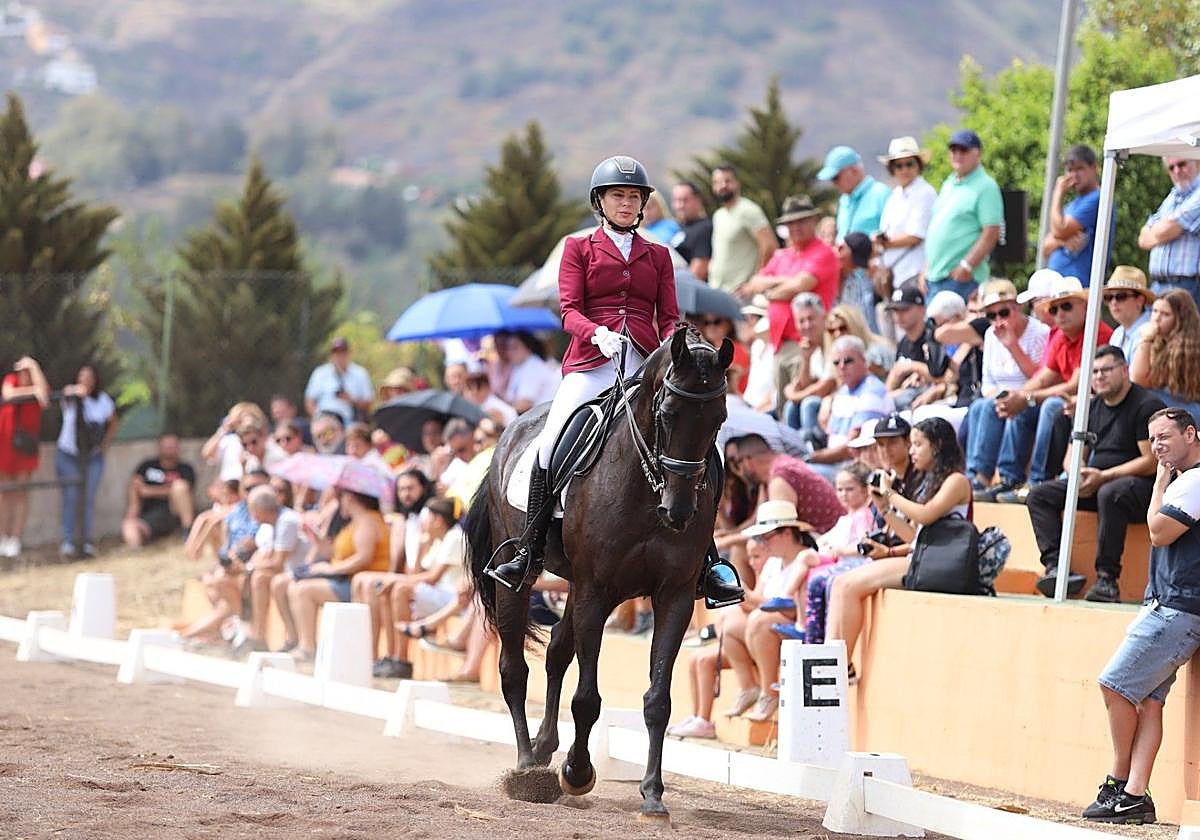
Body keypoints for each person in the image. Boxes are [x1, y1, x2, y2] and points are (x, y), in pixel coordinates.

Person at [487, 155, 742, 607]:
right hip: (591, 361)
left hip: (647, 364)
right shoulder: (578, 248)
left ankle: (709, 559)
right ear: (600, 202)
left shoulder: (659, 255)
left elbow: (668, 317)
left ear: (643, 204)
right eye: (618, 196)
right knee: (548, 446)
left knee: (710, 448)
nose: (626, 203)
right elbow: (568, 310)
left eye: (633, 197)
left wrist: (675, 351)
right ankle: (527, 546)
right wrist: (597, 333)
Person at [1084, 407, 1200, 825]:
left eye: (1165, 436)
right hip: (1169, 602)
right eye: (1152, 439)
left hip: (1177, 607)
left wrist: (1157, 486)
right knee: (1150, 703)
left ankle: (1118, 780)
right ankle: (1135, 795)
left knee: (1114, 686)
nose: (1157, 445)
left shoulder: (1195, 481)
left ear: (1191, 433)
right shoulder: (1184, 481)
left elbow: (1158, 531)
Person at [826, 417, 972, 680]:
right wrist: (883, 506)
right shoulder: (929, 481)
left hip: (942, 564)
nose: (912, 450)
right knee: (839, 583)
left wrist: (892, 494)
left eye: (917, 444)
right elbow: (914, 534)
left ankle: (840, 665)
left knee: (848, 587)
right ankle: (831, 661)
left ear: (937, 446)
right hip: (923, 556)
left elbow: (926, 515)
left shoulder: (956, 480)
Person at [1026, 346, 1162, 602]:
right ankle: (1056, 568)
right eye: (1094, 371)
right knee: (1039, 495)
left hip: (1140, 488)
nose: (1099, 376)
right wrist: (1078, 475)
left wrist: (1104, 476)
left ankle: (1107, 579)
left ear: (1124, 371)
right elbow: (1071, 455)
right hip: (1097, 482)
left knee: (1111, 493)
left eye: (1106, 370)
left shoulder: (1146, 405)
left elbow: (1151, 461)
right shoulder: (1090, 407)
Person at [980, 276, 1112, 502]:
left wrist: (1026, 397)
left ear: (1085, 306)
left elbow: (1076, 385)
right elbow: (1043, 378)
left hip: (1095, 404)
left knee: (1049, 406)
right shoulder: (1060, 336)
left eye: (1067, 306)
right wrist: (1017, 397)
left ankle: (1037, 481)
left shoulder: (1096, 333)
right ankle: (1006, 479)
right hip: (1072, 401)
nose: (1060, 313)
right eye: (1054, 308)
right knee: (1003, 405)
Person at [723, 500, 820, 723]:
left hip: (798, 627)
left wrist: (746, 595)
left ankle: (770, 693)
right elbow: (757, 600)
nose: (763, 544)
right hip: (769, 623)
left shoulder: (807, 559)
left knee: (758, 621)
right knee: (728, 621)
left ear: (786, 534)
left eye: (767, 537)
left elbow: (798, 609)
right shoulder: (773, 563)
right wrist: (739, 596)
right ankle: (749, 687)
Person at [737, 196, 839, 408]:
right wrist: (784, 282)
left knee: (802, 404)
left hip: (806, 341)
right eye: (790, 223)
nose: (795, 227)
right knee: (784, 405)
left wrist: (771, 292)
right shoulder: (783, 255)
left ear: (814, 221)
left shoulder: (823, 252)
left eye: (801, 221)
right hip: (779, 343)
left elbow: (801, 284)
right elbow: (756, 281)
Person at [287, 464, 391, 662]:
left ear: (350, 498)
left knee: (302, 591)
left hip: (358, 584)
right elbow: (335, 552)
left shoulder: (368, 521)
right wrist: (316, 538)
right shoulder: (356, 521)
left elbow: (363, 558)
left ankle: (307, 647)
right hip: (347, 580)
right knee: (296, 586)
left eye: (341, 497)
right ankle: (305, 644)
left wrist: (330, 569)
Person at [964, 279, 1052, 491]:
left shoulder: (1039, 332)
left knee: (1014, 408)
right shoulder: (989, 335)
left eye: (1003, 312)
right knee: (979, 407)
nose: (997, 320)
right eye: (991, 315)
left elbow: (1041, 376)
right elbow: (987, 383)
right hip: (1000, 397)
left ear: (1018, 307)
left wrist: (1013, 346)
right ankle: (977, 475)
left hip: (1032, 397)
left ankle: (1008, 476)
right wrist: (1000, 396)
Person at [800, 463, 877, 644]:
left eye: (850, 489)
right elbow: (824, 541)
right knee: (809, 573)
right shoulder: (846, 518)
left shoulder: (863, 515)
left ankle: (817, 638)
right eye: (839, 489)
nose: (843, 494)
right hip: (841, 562)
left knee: (820, 581)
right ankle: (803, 626)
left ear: (866, 490)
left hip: (856, 564)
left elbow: (865, 545)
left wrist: (840, 550)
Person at [923, 129, 1003, 302]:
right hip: (935, 277)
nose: (957, 155)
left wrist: (966, 266)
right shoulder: (949, 183)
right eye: (954, 150)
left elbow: (991, 232)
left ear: (978, 153)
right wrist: (927, 268)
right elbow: (938, 228)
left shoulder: (986, 186)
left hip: (961, 280)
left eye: (964, 150)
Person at [805, 336, 893, 481]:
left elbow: (850, 449)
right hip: (838, 465)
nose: (842, 366)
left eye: (848, 361)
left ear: (864, 361)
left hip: (856, 469)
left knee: (801, 472)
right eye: (836, 362)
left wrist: (811, 458)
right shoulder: (843, 391)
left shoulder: (872, 391)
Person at [55, 363, 117, 557]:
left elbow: (113, 422)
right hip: (69, 455)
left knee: (87, 498)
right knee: (71, 497)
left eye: (89, 376)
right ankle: (68, 541)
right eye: (82, 376)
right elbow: (65, 393)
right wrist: (77, 392)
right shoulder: (71, 397)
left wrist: (105, 446)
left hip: (92, 457)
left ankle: (85, 541)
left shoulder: (103, 400)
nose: (86, 380)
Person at [733, 433, 843, 535]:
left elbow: (776, 528)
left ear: (748, 461)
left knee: (743, 547)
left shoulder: (780, 478)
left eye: (737, 463)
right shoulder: (775, 471)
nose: (738, 472)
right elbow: (757, 519)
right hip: (821, 535)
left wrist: (728, 541)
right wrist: (732, 533)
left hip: (827, 539)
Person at [241, 484, 303, 655]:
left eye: (252, 510)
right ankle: (257, 634)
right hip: (290, 571)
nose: (252, 515)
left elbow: (277, 563)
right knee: (258, 577)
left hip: (300, 572)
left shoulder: (287, 521)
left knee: (262, 578)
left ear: (259, 510)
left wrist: (250, 567)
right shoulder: (274, 523)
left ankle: (285, 637)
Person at [0, 356, 49, 558]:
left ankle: (15, 538)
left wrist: (35, 366)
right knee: (4, 494)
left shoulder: (39, 383)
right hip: (5, 445)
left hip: (25, 447)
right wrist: (32, 392)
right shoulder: (11, 379)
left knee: (21, 493)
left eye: (27, 370)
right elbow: (8, 394)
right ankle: (3, 536)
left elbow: (44, 396)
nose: (23, 373)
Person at [876, 136, 937, 291]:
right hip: (895, 274)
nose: (905, 170)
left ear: (918, 165)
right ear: (892, 168)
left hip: (916, 271)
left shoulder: (925, 193)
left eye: (909, 164)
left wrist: (883, 242)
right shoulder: (895, 195)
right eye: (899, 165)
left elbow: (915, 235)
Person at [1138, 157, 1200, 310]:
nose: (1177, 171)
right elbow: (1143, 239)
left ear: (1197, 163)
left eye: (1182, 164)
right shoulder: (1173, 195)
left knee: (1184, 334)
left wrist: (1160, 229)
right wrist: (1165, 229)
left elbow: (1167, 229)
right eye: (1171, 167)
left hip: (1187, 286)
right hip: (1158, 285)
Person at [1130, 288, 1200, 421]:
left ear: (1180, 319)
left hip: (1188, 413)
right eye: (1155, 311)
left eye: (1165, 314)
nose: (1156, 318)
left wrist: (1146, 339)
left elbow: (1139, 380)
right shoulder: (1160, 342)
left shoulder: (1186, 349)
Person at [708, 165, 776, 294]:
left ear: (737, 183)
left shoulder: (748, 210)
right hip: (718, 290)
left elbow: (770, 247)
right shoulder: (718, 215)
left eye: (727, 181)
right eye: (717, 182)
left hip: (740, 293)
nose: (722, 186)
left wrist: (755, 282)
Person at [1042, 145, 1105, 286]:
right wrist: (1062, 241)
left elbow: (1060, 229)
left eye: (1080, 169)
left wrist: (1058, 192)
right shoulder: (1070, 206)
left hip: (1080, 286)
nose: (1074, 176)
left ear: (1094, 167)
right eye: (1070, 170)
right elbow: (1046, 247)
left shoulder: (1098, 198)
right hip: (1057, 287)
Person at [121, 433, 196, 548]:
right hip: (148, 516)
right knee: (129, 525)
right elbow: (136, 486)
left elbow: (185, 491)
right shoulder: (147, 466)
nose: (169, 449)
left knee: (179, 487)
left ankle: (187, 532)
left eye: (173, 446)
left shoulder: (185, 469)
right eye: (167, 446)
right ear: (159, 447)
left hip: (173, 512)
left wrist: (148, 491)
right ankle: (136, 551)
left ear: (178, 448)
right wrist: (133, 510)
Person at [884, 287, 949, 411]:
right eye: (895, 310)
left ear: (922, 310)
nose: (898, 315)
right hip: (907, 395)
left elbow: (942, 377)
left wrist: (913, 367)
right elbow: (893, 381)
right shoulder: (903, 342)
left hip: (932, 399)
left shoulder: (934, 336)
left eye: (904, 309)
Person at [816, 145, 891, 241]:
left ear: (854, 170)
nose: (834, 184)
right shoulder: (844, 200)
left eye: (836, 178)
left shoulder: (881, 194)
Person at [304, 337, 374, 428]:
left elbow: (369, 402)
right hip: (325, 418)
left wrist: (352, 400)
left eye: (343, 352)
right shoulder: (320, 373)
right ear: (331, 355)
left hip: (349, 422)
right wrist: (318, 418)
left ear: (348, 353)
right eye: (336, 353)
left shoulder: (360, 373)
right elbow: (309, 401)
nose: (340, 356)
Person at [495, 331, 560, 414]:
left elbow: (523, 405)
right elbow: (511, 398)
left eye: (515, 347)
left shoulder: (533, 366)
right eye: (508, 348)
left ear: (527, 347)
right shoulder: (519, 366)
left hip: (539, 419)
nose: (510, 352)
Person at [1105, 266, 1154, 362]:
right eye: (1108, 297)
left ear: (1140, 301)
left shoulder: (1150, 333)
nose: (1113, 302)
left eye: (1121, 296)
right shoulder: (1117, 334)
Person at [671, 181, 713, 281]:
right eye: (676, 200)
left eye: (685, 200)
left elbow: (697, 274)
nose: (680, 205)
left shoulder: (704, 228)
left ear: (698, 200)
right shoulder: (678, 227)